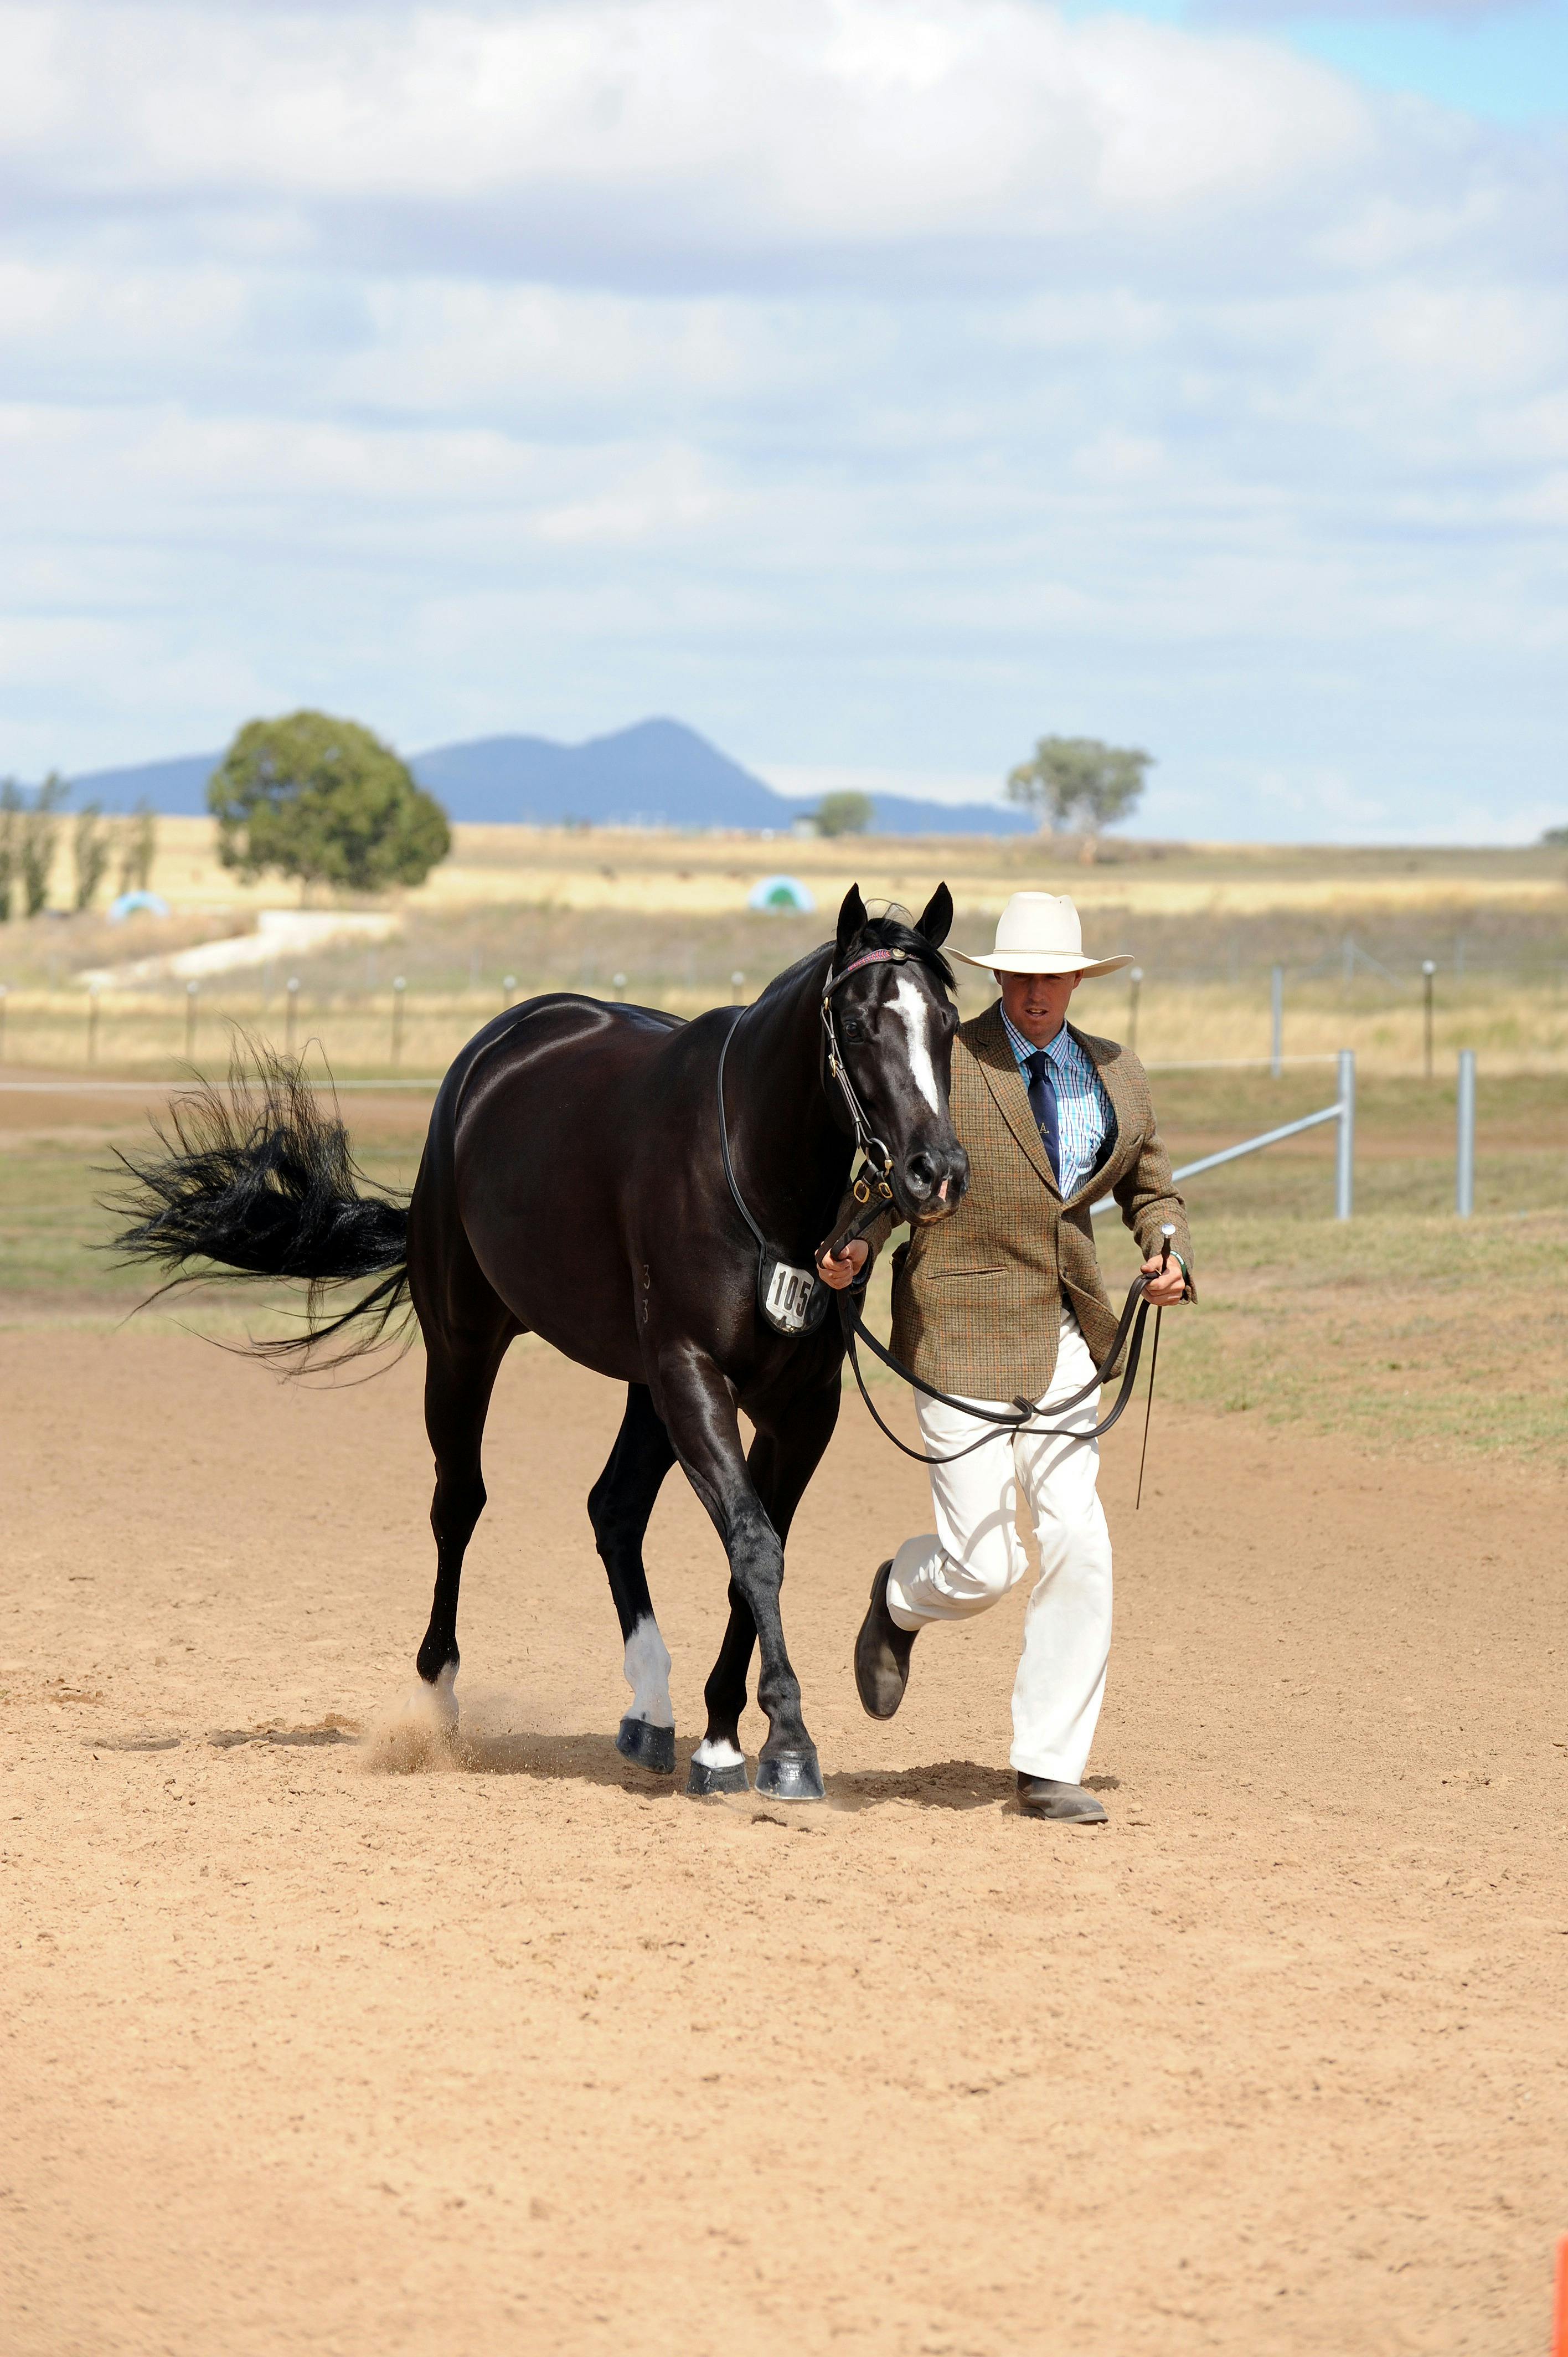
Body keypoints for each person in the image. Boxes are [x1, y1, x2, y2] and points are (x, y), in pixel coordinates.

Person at [817, 891, 1193, 1824]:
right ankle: (902, 1598)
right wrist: (856, 1238)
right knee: (983, 1569)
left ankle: (1049, 1764)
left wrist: (1168, 1246)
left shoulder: (1117, 1073)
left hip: (1065, 1329)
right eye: (1020, 976)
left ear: (1076, 979)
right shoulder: (948, 1055)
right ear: (1000, 979)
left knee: (1078, 1539)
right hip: (957, 1323)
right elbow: (890, 1164)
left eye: (1052, 976)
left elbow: (1152, 1185)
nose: (1036, 992)